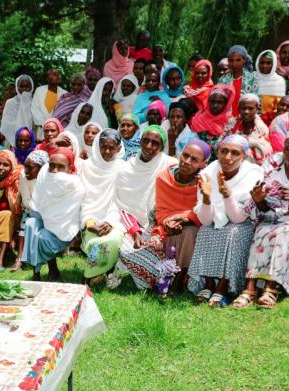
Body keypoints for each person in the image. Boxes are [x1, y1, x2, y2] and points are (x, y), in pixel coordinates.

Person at [231, 127, 289, 309]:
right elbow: (262, 207)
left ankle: (270, 288)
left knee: (284, 234)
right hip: (269, 217)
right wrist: (259, 200)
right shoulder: (272, 164)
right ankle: (249, 288)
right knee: (263, 232)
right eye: (288, 148)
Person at [119, 139, 210, 294]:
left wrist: (183, 218)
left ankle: (179, 278)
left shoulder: (204, 182)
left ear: (203, 164)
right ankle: (162, 277)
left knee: (189, 232)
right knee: (130, 252)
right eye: (185, 155)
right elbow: (161, 211)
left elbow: (202, 211)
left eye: (194, 159)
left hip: (192, 227)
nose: (186, 161)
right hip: (163, 227)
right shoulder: (164, 177)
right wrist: (168, 222)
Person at [187, 134, 264, 306]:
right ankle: (208, 284)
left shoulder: (253, 174)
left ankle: (223, 286)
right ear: (218, 152)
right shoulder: (208, 173)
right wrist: (207, 199)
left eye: (235, 153)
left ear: (244, 155)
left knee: (233, 232)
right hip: (215, 221)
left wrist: (226, 194)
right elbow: (206, 221)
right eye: (224, 151)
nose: (228, 157)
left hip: (245, 222)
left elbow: (238, 217)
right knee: (206, 231)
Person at [106, 127, 172, 289]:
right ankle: (128, 271)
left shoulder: (170, 166)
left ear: (162, 147)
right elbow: (121, 205)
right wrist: (135, 231)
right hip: (131, 225)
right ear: (140, 141)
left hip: (160, 225)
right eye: (146, 141)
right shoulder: (127, 169)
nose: (149, 146)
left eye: (155, 143)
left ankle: (148, 278)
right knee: (127, 249)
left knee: (156, 247)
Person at [21, 148, 84, 280]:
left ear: (70, 168)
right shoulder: (45, 175)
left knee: (43, 237)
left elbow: (71, 213)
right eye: (52, 166)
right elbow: (37, 205)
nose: (55, 171)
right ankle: (37, 273)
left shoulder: (76, 185)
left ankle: (52, 271)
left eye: (60, 167)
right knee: (31, 225)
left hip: (63, 228)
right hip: (42, 219)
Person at [79, 129, 125, 283]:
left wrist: (110, 222)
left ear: (118, 149)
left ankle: (92, 274)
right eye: (103, 146)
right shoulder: (86, 167)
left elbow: (121, 202)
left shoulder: (122, 168)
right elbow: (83, 200)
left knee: (113, 240)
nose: (107, 151)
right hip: (90, 220)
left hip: (115, 219)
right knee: (95, 242)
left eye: (111, 148)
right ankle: (101, 271)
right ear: (97, 146)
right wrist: (90, 223)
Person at [222, 93, 272, 165]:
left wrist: (250, 143)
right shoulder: (232, 125)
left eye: (251, 108)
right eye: (244, 108)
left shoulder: (262, 129)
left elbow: (267, 149)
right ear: (239, 109)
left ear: (257, 109)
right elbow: (221, 144)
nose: (246, 111)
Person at [190, 84, 234, 154]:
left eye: (220, 102)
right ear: (208, 102)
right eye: (212, 102)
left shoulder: (230, 123)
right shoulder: (198, 120)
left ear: (226, 104)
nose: (215, 105)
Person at [218, 45, 258, 115]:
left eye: (238, 60)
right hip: (225, 119)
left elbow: (256, 101)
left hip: (245, 118)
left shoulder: (252, 79)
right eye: (231, 60)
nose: (234, 64)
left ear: (244, 60)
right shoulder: (223, 80)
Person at [0, 75, 34, 146]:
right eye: (21, 86)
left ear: (31, 87)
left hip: (32, 140)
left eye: (27, 86)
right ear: (17, 88)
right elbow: (6, 125)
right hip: (12, 141)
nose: (24, 89)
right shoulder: (10, 103)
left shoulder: (35, 102)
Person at [254, 50, 287, 121]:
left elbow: (279, 106)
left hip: (268, 120)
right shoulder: (251, 77)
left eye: (268, 63)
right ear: (257, 63)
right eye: (262, 62)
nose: (264, 66)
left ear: (274, 64)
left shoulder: (279, 81)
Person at [31, 69, 66, 134]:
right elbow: (35, 109)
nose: (58, 76)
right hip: (41, 129)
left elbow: (64, 114)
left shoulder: (64, 94)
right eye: (55, 75)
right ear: (47, 79)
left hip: (57, 131)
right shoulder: (39, 90)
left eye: (59, 75)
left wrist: (54, 126)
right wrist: (45, 125)